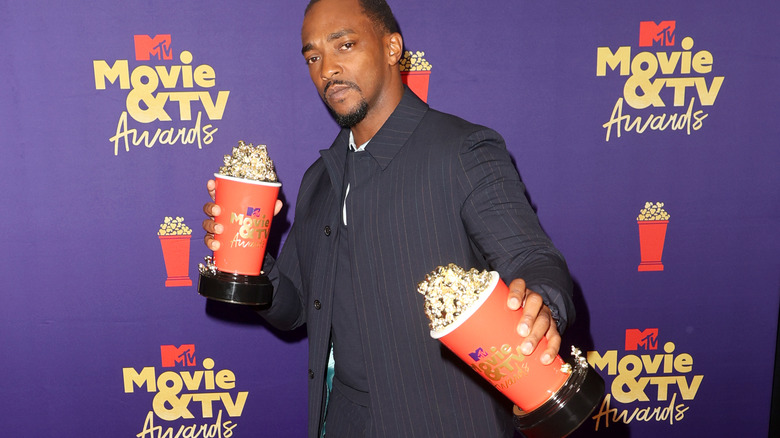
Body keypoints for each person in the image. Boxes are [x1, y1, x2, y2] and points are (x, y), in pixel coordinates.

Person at [202, 0, 575, 436]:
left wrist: (542, 306)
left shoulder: (462, 150)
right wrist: (249, 260)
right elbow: (295, 309)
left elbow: (532, 256)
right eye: (314, 57)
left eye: (344, 45)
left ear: (392, 47)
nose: (327, 70)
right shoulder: (319, 179)